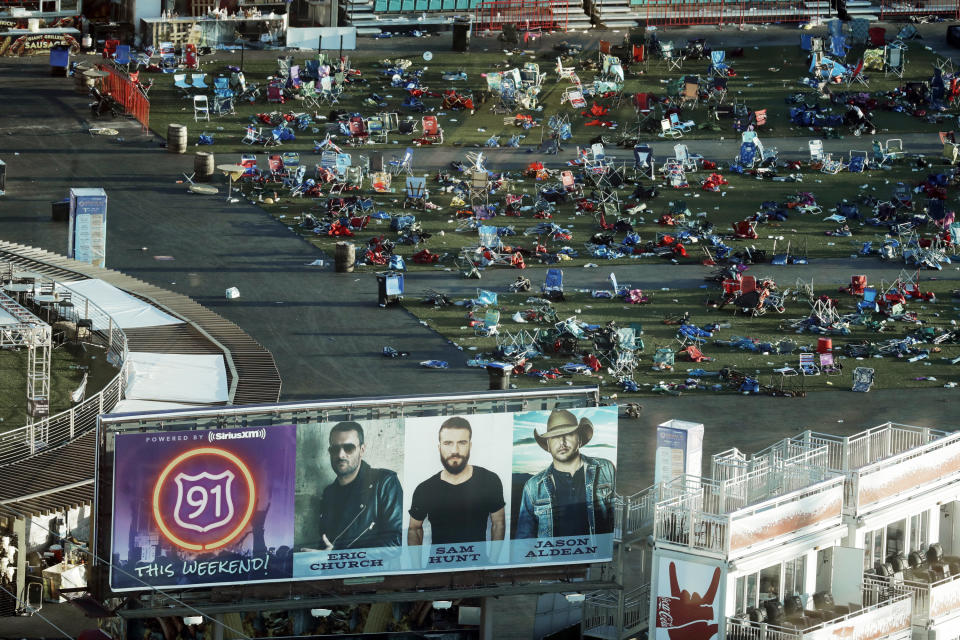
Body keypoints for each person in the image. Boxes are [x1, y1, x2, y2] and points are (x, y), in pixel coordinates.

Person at [516, 409, 616, 539]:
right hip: (552, 558)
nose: (562, 442)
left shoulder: (605, 469)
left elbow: (616, 517)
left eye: (568, 434)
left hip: (596, 556)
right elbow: (524, 539)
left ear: (579, 439)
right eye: (554, 437)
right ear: (548, 445)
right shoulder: (533, 486)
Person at [408, 417, 506, 546]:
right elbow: (414, 529)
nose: (455, 450)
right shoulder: (425, 489)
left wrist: (494, 564)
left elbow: (498, 523)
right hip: (438, 565)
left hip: (477, 565)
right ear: (439, 447)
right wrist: (417, 567)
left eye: (462, 442)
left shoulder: (489, 480)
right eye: (448, 443)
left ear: (470, 446)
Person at [304, 421, 402, 550]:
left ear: (362, 450)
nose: (340, 455)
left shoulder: (384, 482)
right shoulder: (328, 493)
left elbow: (395, 543)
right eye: (335, 449)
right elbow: (326, 546)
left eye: (348, 448)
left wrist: (336, 557)